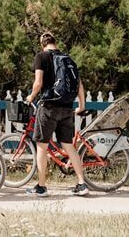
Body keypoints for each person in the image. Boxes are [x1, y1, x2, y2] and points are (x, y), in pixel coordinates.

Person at [25, 31, 89, 197]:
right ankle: (82, 184)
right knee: (69, 145)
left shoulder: (41, 57)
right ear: (55, 42)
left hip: (48, 107)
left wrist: (31, 97)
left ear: (42, 44)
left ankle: (41, 187)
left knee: (42, 146)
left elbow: (38, 82)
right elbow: (79, 85)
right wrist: (81, 105)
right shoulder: (68, 59)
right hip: (67, 107)